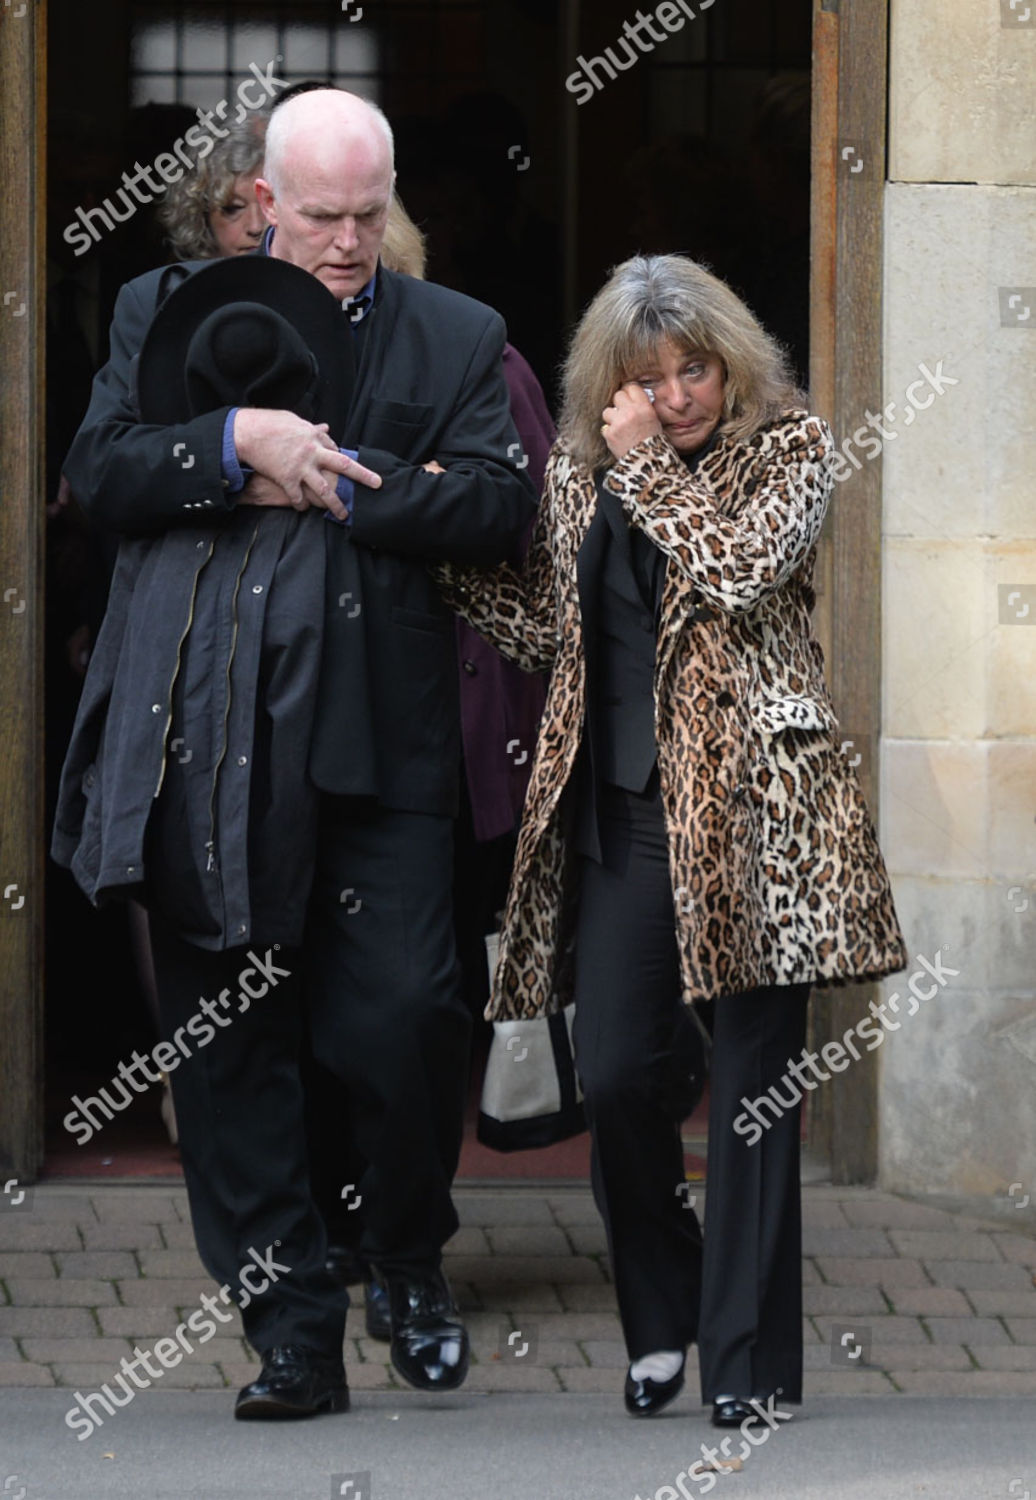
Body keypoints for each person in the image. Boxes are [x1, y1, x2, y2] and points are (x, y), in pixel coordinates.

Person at [53, 87, 535, 1422]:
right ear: (261, 203)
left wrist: (339, 475)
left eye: (369, 217)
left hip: (380, 750)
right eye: (321, 216)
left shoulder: (453, 333)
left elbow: (502, 505)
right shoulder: (162, 313)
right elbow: (100, 473)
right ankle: (294, 1339)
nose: (346, 243)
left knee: (403, 1025)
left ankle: (406, 1256)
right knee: (234, 1057)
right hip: (199, 749)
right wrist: (231, 445)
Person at [440, 253, 907, 1425]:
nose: (675, 396)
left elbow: (744, 573)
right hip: (621, 816)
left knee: (755, 1096)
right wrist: (430, 537)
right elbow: (548, 626)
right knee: (622, 1077)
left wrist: (647, 467)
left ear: (730, 361)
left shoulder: (790, 447)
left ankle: (746, 1368)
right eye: (647, 378)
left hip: (760, 816)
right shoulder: (582, 474)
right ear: (610, 379)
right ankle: (664, 1315)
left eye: (692, 369)